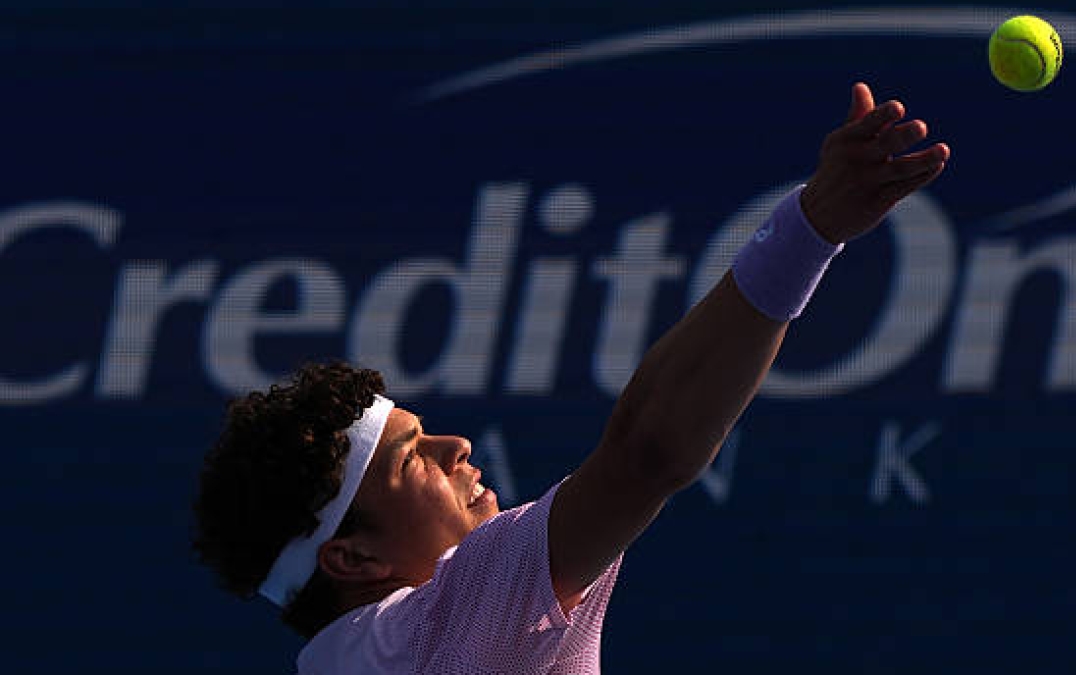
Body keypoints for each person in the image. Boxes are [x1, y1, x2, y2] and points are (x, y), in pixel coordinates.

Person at [192, 82, 950, 674]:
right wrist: (812, 227)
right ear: (353, 559)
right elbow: (647, 452)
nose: (456, 445)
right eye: (411, 455)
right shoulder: (432, 628)